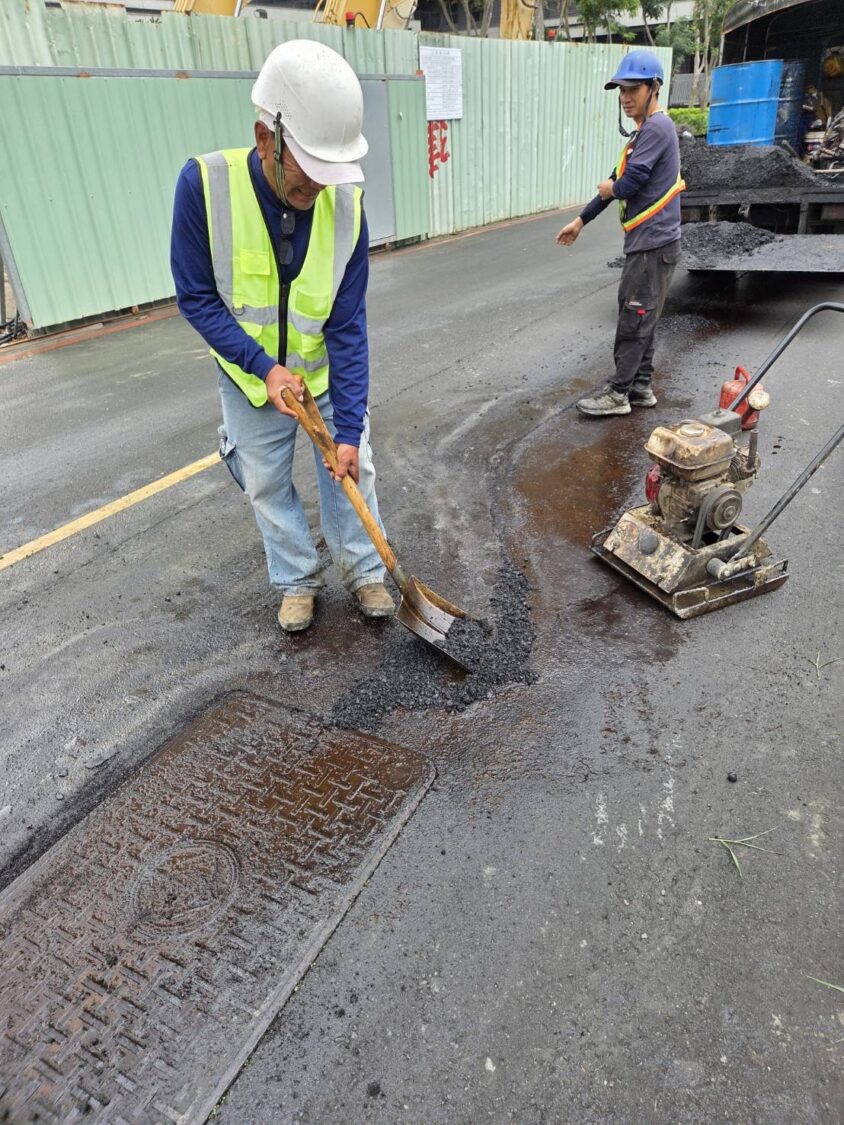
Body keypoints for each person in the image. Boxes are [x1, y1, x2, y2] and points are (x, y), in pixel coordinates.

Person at [171, 40, 395, 632]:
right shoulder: (204, 186)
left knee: (354, 467)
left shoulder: (347, 205)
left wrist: (348, 427)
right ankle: (297, 579)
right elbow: (196, 297)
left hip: (319, 373)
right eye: (308, 171)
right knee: (266, 482)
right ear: (266, 137)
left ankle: (367, 571)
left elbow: (347, 323)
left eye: (329, 173)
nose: (319, 188)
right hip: (251, 381)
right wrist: (261, 366)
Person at [556, 49, 684, 417]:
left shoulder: (657, 128)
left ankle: (619, 393)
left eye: (633, 89)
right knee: (644, 316)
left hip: (652, 244)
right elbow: (615, 180)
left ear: (653, 88)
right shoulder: (644, 134)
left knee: (634, 316)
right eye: (621, 91)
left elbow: (628, 183)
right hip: (652, 244)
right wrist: (581, 220)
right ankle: (641, 387)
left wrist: (612, 190)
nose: (625, 97)